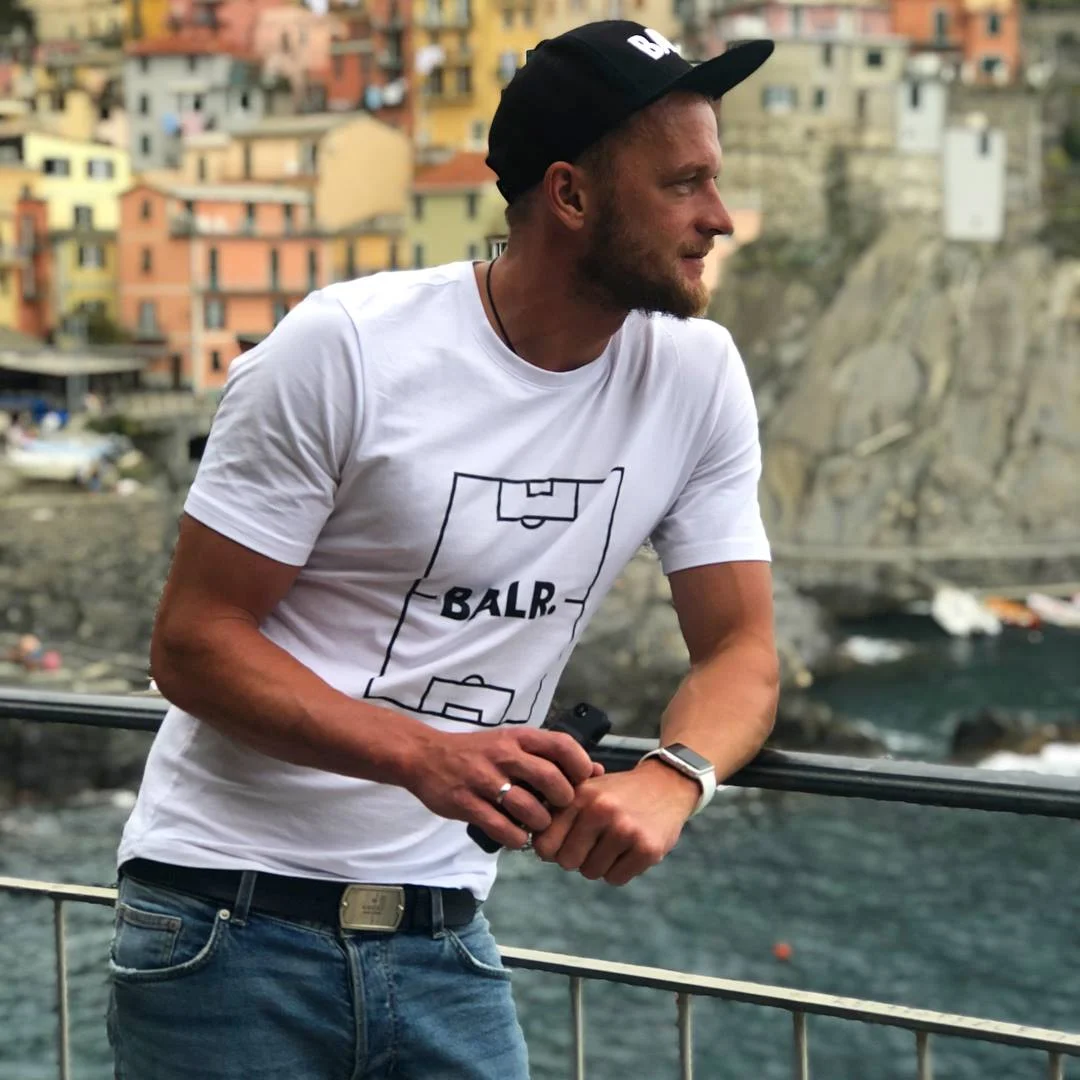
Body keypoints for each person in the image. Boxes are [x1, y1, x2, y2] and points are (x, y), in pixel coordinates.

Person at [107, 20, 780, 1080]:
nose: (719, 217)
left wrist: (675, 776)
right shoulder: (345, 350)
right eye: (684, 184)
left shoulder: (697, 376)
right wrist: (423, 755)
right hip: (225, 924)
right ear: (570, 195)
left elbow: (740, 649)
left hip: (444, 936)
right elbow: (193, 643)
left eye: (715, 181)